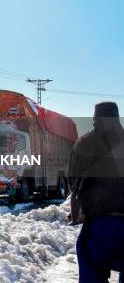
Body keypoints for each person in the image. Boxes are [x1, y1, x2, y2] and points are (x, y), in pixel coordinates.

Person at [69, 101, 124, 282]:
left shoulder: (84, 143)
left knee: (91, 265)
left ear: (95, 117)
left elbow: (73, 180)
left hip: (99, 224)